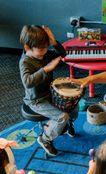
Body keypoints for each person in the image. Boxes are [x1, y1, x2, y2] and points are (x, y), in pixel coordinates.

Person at [19, 25, 78, 156]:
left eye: (47, 47)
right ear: (27, 47)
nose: (45, 51)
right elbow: (27, 82)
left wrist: (53, 40)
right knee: (62, 117)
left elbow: (63, 54)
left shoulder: (44, 53)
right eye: (41, 48)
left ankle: (67, 125)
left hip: (50, 93)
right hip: (36, 101)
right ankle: (45, 139)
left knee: (72, 103)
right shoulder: (25, 62)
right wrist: (46, 69)